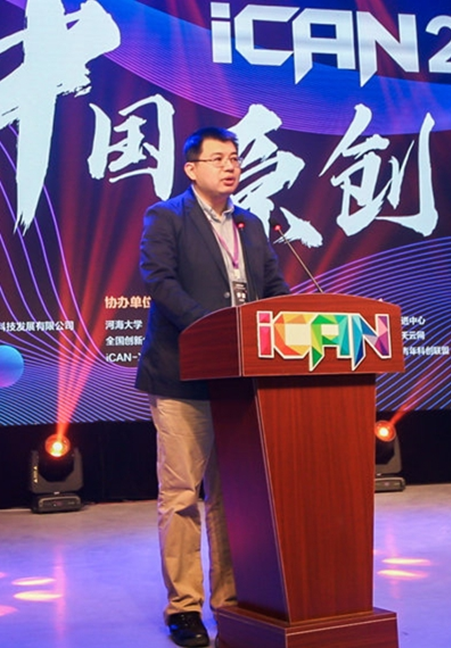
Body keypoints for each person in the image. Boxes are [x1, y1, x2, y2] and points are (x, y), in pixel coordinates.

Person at [135, 126, 289, 647]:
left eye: (235, 158)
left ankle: (231, 601)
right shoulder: (166, 217)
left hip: (240, 382)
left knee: (233, 498)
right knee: (182, 495)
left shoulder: (250, 223)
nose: (230, 166)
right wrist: (212, 328)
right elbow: (159, 281)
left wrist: (295, 317)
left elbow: (273, 287)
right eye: (218, 158)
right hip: (183, 376)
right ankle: (184, 608)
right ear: (191, 168)